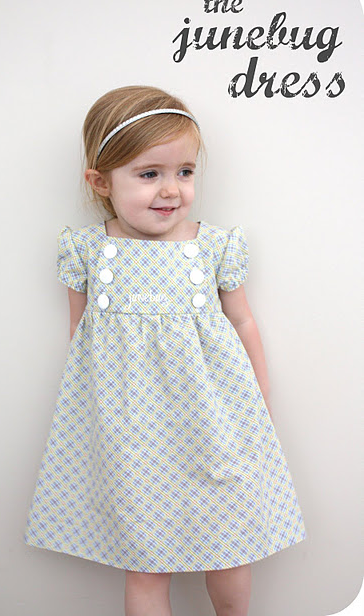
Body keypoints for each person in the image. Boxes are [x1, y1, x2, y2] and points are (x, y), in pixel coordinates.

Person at [24, 85, 307, 616]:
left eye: (185, 171)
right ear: (101, 181)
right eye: (149, 173)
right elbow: (81, 339)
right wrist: (93, 420)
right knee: (146, 562)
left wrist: (261, 395)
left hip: (215, 421)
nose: (171, 189)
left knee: (230, 545)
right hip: (130, 431)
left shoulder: (213, 245)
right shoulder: (88, 249)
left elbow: (242, 320)